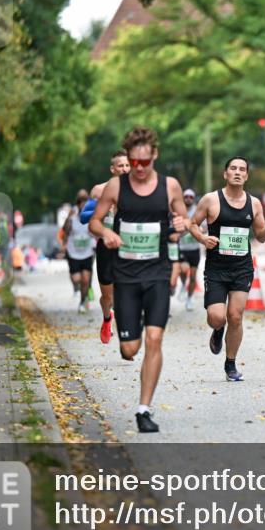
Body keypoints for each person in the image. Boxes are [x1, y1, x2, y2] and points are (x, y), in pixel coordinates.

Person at [89, 127, 188, 433]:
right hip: (127, 275)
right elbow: (94, 221)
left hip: (157, 272)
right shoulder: (116, 188)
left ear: (154, 156)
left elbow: (182, 220)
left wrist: (182, 225)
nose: (140, 169)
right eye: (135, 163)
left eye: (145, 162)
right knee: (129, 349)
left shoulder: (170, 186)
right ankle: (124, 330)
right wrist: (106, 232)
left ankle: (143, 409)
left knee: (154, 339)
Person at [186, 156, 265, 382]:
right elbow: (192, 224)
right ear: (225, 173)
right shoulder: (210, 200)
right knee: (217, 317)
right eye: (233, 169)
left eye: (242, 169)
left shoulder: (254, 203)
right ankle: (218, 330)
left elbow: (261, 237)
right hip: (216, 268)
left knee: (235, 317)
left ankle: (230, 364)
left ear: (246, 175)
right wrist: (202, 238)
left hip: (242, 267)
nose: (237, 172)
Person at [83, 150, 131, 343]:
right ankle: (106, 317)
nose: (125, 169)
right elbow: (89, 224)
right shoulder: (98, 190)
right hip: (105, 247)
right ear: (113, 169)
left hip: (129, 247)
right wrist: (104, 233)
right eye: (121, 166)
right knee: (107, 295)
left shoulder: (139, 191)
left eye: (128, 165)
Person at [64, 189, 96, 314]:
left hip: (87, 252)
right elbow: (66, 231)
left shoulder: (92, 214)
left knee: (86, 280)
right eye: (80, 202)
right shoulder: (72, 215)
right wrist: (68, 218)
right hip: (73, 253)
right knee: (77, 279)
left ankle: (83, 301)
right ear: (77, 203)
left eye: (85, 201)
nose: (83, 205)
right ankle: (76, 288)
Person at [177, 188, 202, 311]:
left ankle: (190, 298)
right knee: (183, 269)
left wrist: (201, 231)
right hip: (182, 247)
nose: (188, 199)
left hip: (194, 248)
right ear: (183, 198)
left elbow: (205, 227)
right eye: (186, 196)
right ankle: (182, 284)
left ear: (193, 198)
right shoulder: (178, 210)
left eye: (191, 197)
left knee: (192, 276)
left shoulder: (198, 211)